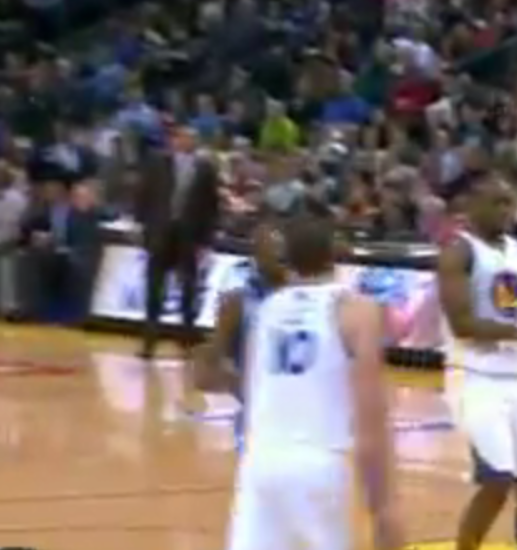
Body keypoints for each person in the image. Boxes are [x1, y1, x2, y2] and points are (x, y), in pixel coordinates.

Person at [226, 215, 401, 550]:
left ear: (287, 257)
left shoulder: (267, 310)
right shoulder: (355, 310)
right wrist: (383, 505)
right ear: (335, 251)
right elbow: (371, 419)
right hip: (320, 462)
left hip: (261, 461)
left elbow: (249, 395)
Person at [437, 168, 517, 550]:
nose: (507, 210)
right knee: (497, 480)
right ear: (472, 205)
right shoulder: (459, 252)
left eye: (510, 202)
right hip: (477, 378)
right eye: (497, 202)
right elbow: (461, 325)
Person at [193, 222, 288, 447]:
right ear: (257, 256)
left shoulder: (314, 302)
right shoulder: (237, 302)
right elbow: (206, 376)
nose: (281, 256)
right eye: (274, 250)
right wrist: (244, 385)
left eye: (284, 252)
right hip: (259, 421)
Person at [135, 125, 220, 359]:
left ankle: (186, 343)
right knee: (154, 289)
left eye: (191, 138)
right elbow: (143, 194)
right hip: (160, 233)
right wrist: (140, 225)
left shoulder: (206, 169)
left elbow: (211, 208)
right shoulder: (157, 162)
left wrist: (206, 241)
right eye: (181, 137)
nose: (186, 141)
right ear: (173, 140)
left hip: (188, 236)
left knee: (188, 291)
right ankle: (149, 342)